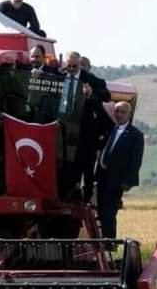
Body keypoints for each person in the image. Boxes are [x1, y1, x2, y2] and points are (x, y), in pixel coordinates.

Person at [62, 52, 112, 201]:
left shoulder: (92, 80)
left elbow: (106, 96)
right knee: (66, 167)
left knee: (87, 167)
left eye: (74, 66)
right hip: (63, 130)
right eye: (68, 66)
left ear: (80, 65)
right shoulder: (59, 76)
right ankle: (68, 193)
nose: (71, 69)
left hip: (85, 133)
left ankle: (85, 197)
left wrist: (91, 95)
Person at [95, 101, 144, 238]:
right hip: (102, 176)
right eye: (117, 111)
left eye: (123, 112)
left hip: (117, 180)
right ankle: (103, 241)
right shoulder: (110, 129)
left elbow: (136, 161)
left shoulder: (135, 135)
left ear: (129, 114)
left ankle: (109, 243)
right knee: (101, 211)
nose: (119, 114)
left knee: (109, 213)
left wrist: (128, 181)